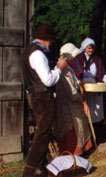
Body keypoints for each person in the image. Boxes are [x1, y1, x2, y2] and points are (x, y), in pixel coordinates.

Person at [23, 24, 68, 177]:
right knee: (42, 135)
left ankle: (39, 169)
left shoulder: (29, 50)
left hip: (37, 97)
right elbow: (48, 80)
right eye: (51, 41)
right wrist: (59, 68)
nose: (51, 44)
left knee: (43, 133)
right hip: (42, 98)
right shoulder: (37, 54)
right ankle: (30, 171)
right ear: (46, 40)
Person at [53, 43, 93, 155]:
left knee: (79, 127)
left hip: (73, 104)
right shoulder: (62, 70)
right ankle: (71, 156)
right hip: (66, 106)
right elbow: (72, 93)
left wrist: (83, 101)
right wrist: (82, 101)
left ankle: (79, 152)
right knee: (70, 128)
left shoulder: (69, 68)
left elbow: (76, 83)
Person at [70, 37, 106, 123]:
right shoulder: (79, 58)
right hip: (84, 88)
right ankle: (86, 126)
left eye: (92, 48)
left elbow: (102, 72)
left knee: (95, 110)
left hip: (95, 88)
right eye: (89, 48)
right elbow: (77, 72)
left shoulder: (97, 59)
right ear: (84, 48)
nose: (91, 50)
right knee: (85, 109)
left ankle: (96, 126)